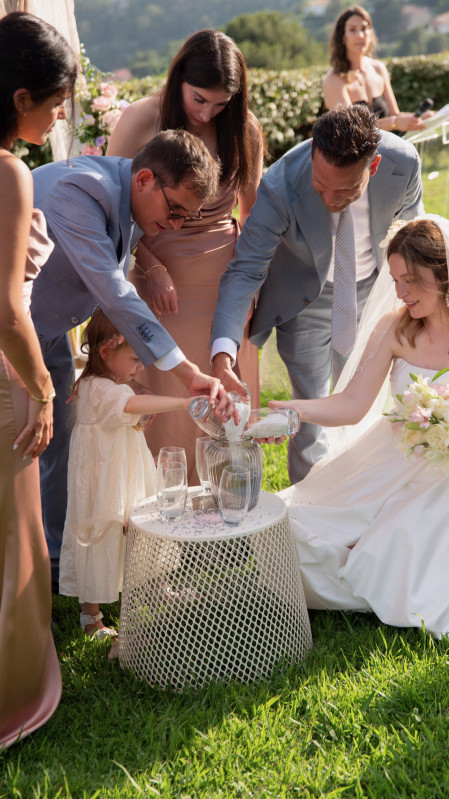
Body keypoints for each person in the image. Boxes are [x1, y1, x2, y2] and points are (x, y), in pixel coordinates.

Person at [269, 216, 449, 639]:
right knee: (299, 529)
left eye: (412, 280)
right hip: (398, 455)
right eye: (395, 280)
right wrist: (294, 411)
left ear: (444, 274)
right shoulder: (395, 328)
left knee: (400, 538)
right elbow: (352, 405)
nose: (402, 292)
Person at [30, 129, 233, 594]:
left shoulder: (131, 197)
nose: (177, 226)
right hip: (14, 331)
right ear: (145, 179)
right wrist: (186, 372)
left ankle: (58, 566)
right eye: (176, 211)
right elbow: (113, 289)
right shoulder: (80, 191)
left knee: (57, 441)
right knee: (23, 446)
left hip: (49, 326)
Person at [211, 103, 423, 483]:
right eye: (320, 187)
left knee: (370, 405)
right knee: (307, 417)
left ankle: (365, 496)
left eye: (344, 192)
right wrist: (223, 355)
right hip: (304, 303)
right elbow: (244, 272)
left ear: (371, 168)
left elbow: (413, 239)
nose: (329, 200)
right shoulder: (279, 187)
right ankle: (309, 517)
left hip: (374, 295)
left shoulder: (402, 164)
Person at [106, 29, 263, 485]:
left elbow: (251, 214)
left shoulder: (243, 128)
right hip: (158, 275)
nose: (207, 112)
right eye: (199, 99)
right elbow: (114, 209)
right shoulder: (141, 119)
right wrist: (149, 266)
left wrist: (250, 285)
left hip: (226, 283)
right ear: (179, 81)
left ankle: (227, 504)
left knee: (224, 389)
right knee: (171, 391)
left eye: (220, 103)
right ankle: (167, 504)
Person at [0, 10, 77, 749]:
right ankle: (13, 694)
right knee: (15, 541)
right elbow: (4, 308)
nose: (59, 119)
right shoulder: (8, 172)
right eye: (56, 102)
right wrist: (47, 389)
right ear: (20, 98)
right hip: (4, 378)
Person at [59, 309, 194, 638]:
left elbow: (126, 413)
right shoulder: (96, 387)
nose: (140, 367)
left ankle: (153, 584)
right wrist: (183, 402)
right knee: (101, 535)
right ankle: (91, 616)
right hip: (103, 482)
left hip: (127, 472)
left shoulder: (113, 383)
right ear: (106, 352)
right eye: (135, 359)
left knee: (144, 525)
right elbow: (127, 406)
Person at [323, 6, 433, 135]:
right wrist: (394, 122)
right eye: (352, 30)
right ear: (342, 37)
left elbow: (395, 114)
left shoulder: (379, 68)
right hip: (360, 154)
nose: (360, 35)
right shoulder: (334, 79)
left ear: (370, 34)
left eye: (364, 29)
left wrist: (421, 117)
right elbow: (351, 128)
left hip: (392, 147)